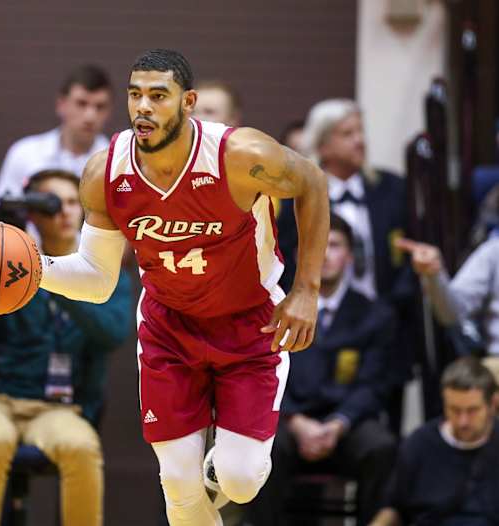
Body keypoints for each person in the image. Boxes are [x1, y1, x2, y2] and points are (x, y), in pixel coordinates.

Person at [35, 49, 329, 526]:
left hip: (249, 323)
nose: (143, 108)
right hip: (169, 327)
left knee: (241, 480)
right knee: (176, 480)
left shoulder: (240, 155)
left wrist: (306, 290)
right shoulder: (104, 172)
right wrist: (34, 267)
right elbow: (96, 278)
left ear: (188, 101)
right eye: (135, 96)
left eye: (158, 96)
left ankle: (222, 472)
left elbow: (312, 181)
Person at [0, 169, 132, 526]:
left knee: (81, 446)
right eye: (52, 204)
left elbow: (112, 333)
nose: (65, 212)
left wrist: (50, 275)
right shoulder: (1, 264)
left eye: (75, 203)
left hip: (57, 408)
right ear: (32, 214)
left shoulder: (108, 274)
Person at [245, 214, 397, 525]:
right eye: (318, 246)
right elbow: (260, 375)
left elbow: (374, 385)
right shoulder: (274, 308)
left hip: (345, 425)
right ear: (303, 255)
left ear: (350, 257)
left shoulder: (375, 314)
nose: (326, 254)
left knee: (381, 447)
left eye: (336, 245)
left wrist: (338, 425)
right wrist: (296, 421)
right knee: (259, 448)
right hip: (289, 422)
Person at [278, 98, 416, 432]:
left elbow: (407, 256)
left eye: (361, 131)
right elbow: (279, 260)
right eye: (347, 133)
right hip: (312, 324)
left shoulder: (391, 189)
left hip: (379, 324)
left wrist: (390, 310)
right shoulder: (292, 195)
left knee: (380, 436)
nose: (360, 140)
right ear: (323, 143)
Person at [370, 357, 499, 526]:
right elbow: (393, 507)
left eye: (472, 410)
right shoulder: (419, 444)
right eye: (454, 410)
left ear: (493, 404)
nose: (463, 421)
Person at [0, 64, 113, 196]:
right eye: (81, 103)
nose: (90, 116)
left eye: (100, 107)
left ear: (109, 112)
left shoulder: (119, 164)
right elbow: (0, 211)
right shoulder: (24, 154)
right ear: (61, 105)